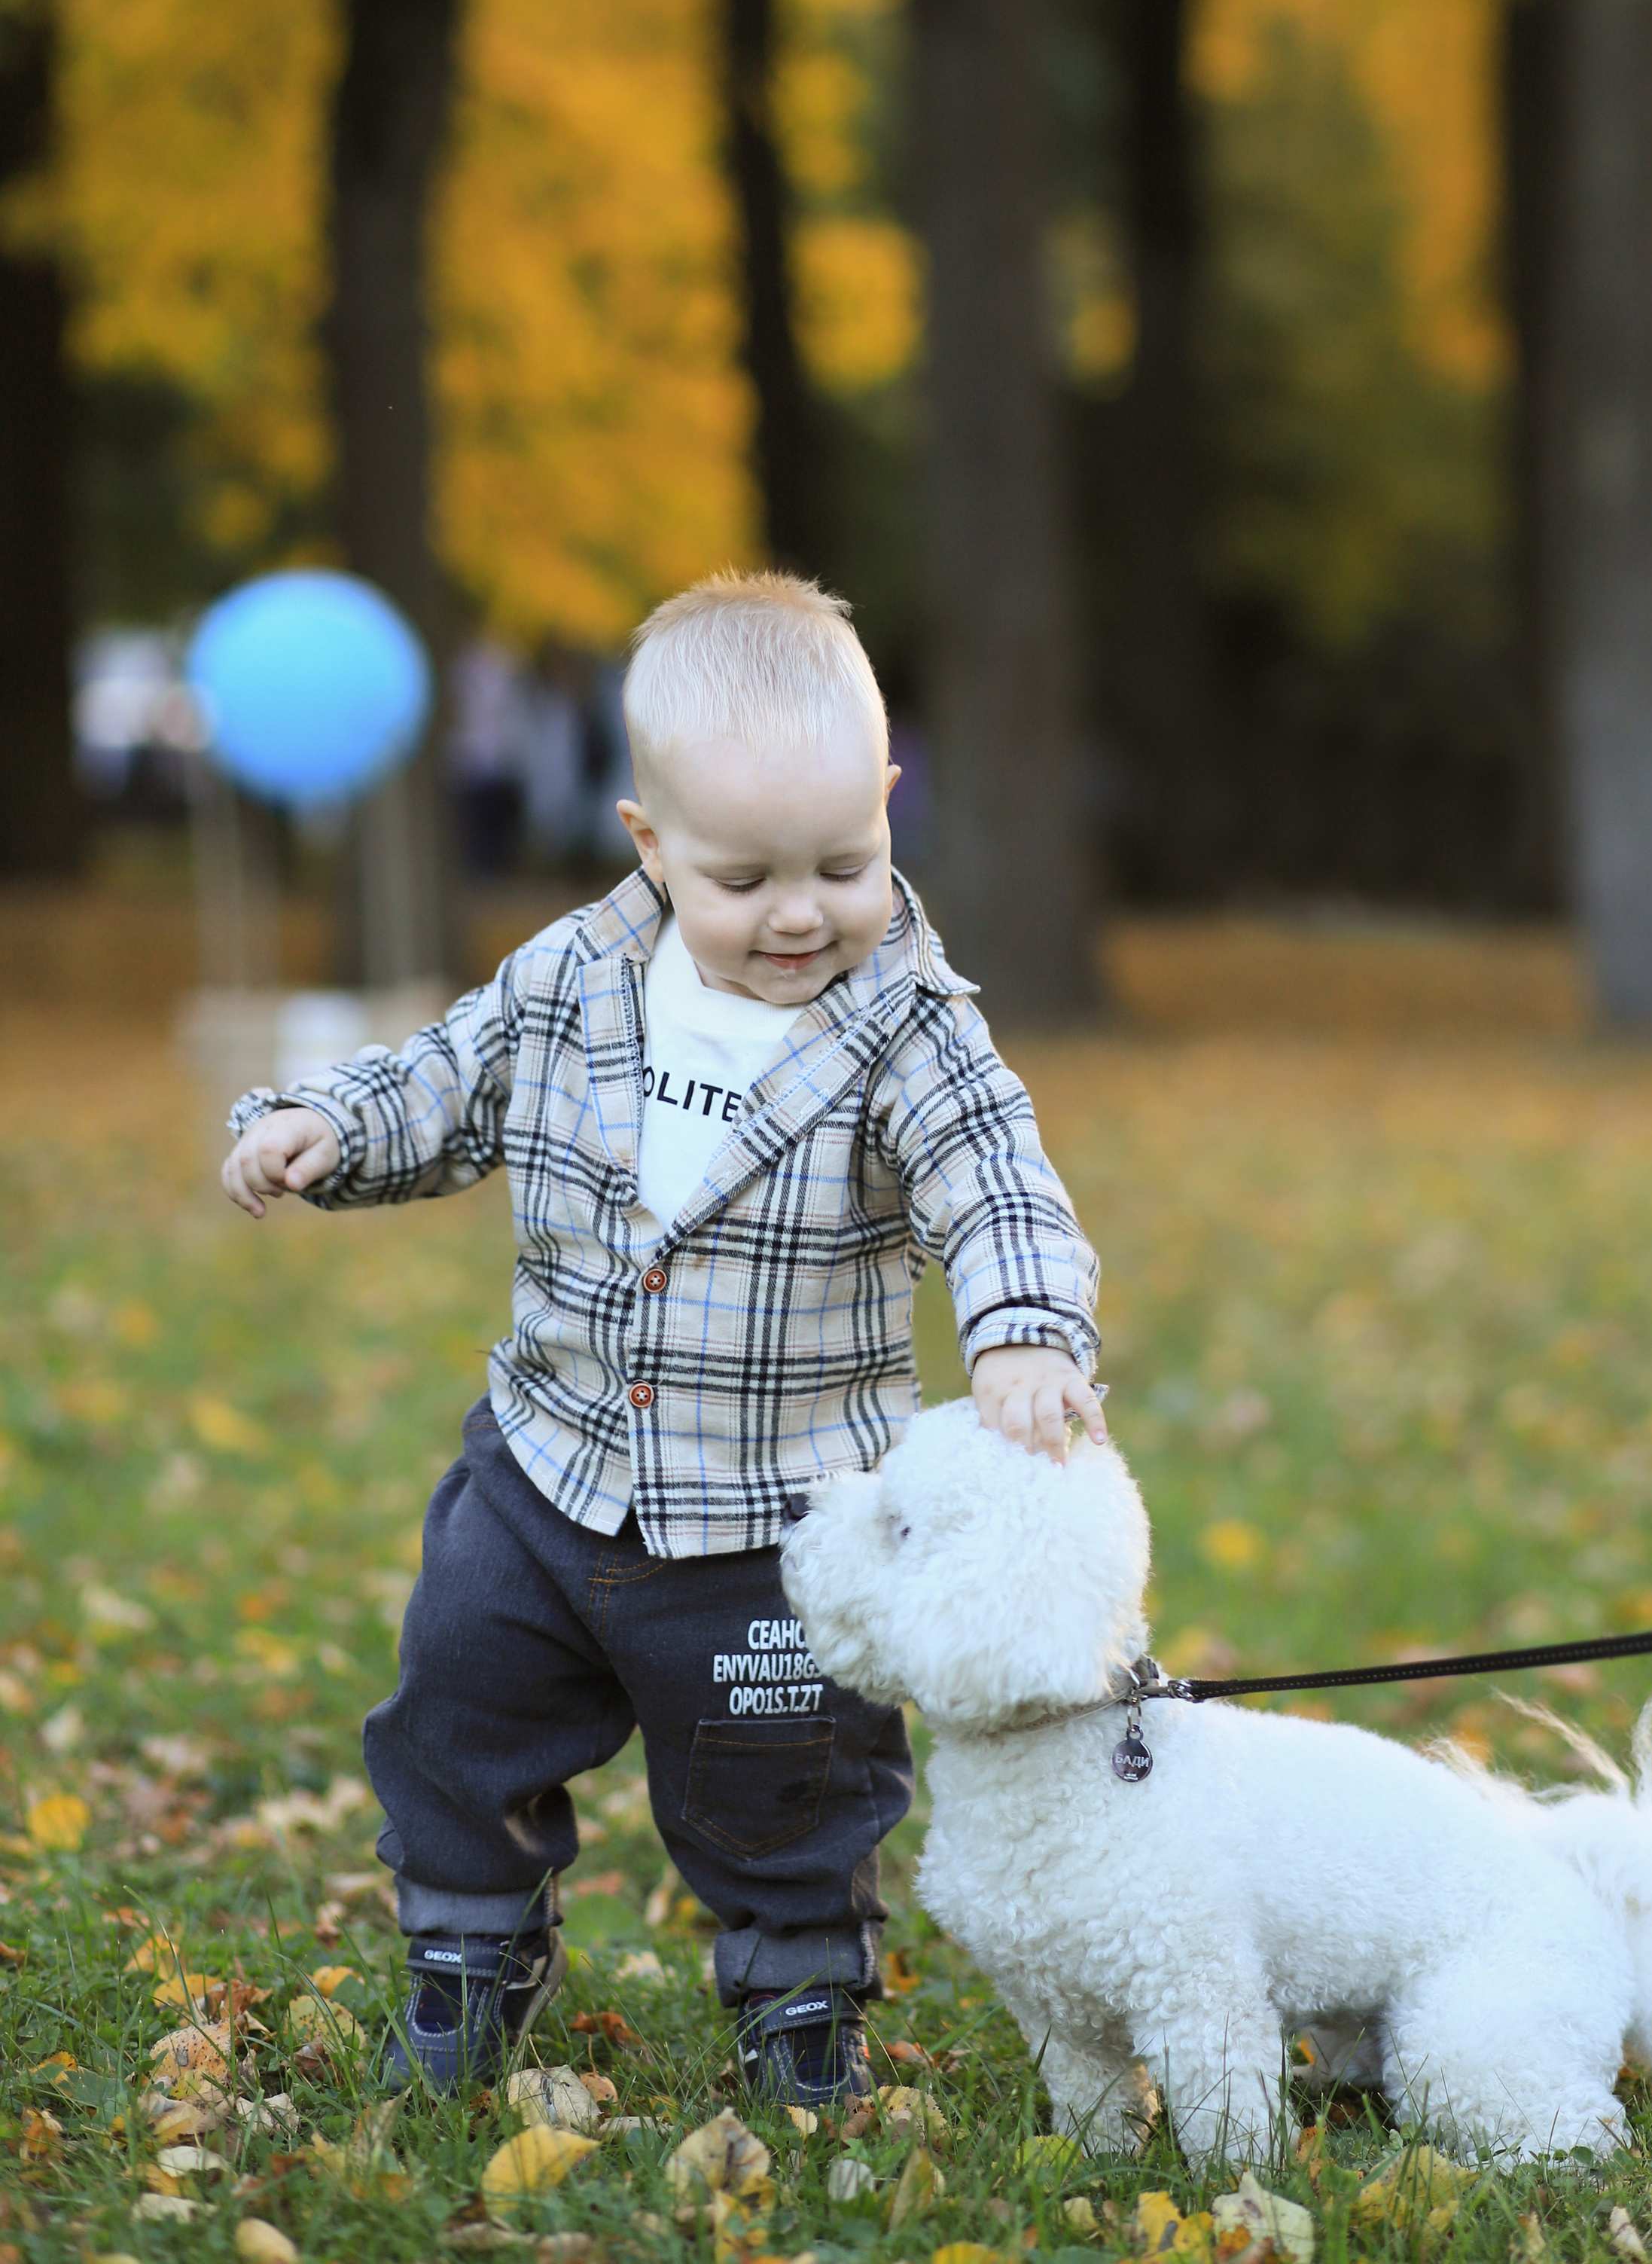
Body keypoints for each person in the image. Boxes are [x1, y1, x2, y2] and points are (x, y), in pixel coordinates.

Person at [220, 572, 1105, 2104]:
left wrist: (1022, 1330)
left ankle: (797, 1992)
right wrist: (326, 1124)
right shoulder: (574, 976)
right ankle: (467, 1947)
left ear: (891, 802)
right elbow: (449, 1078)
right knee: (455, 1711)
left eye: (842, 861)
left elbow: (999, 1184)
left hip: (780, 1517)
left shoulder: (913, 1028)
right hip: (544, 1473)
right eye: (741, 874)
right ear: (647, 841)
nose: (796, 912)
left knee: (792, 1785)